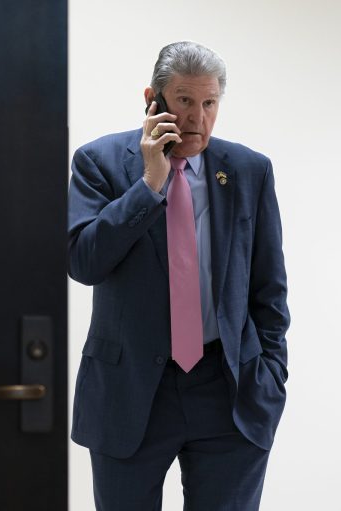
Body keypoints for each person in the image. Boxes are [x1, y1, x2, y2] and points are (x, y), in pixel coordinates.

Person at [68, 41, 290, 510]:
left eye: (209, 103)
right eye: (185, 101)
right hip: (130, 392)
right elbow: (84, 263)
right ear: (154, 99)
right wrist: (149, 185)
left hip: (228, 389)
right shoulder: (99, 163)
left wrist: (270, 377)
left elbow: (269, 290)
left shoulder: (249, 171)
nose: (197, 119)